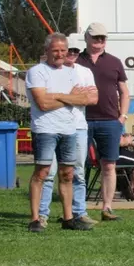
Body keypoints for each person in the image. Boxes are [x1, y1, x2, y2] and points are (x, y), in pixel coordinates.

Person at [25, 33, 94, 232]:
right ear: (46, 51)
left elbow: (84, 99)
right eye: (56, 50)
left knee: (67, 174)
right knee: (43, 173)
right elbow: (42, 103)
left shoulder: (71, 73)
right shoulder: (36, 72)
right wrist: (68, 97)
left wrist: (56, 95)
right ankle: (36, 218)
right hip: (45, 129)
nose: (60, 54)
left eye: (63, 50)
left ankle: (68, 218)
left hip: (69, 129)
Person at [77, 22, 129, 222]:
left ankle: (107, 207)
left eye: (103, 38)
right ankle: (78, 209)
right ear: (87, 38)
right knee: (77, 165)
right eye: (96, 38)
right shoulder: (76, 61)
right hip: (81, 120)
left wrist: (122, 117)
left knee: (109, 165)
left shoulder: (115, 62)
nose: (99, 42)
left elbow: (124, 92)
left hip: (110, 121)